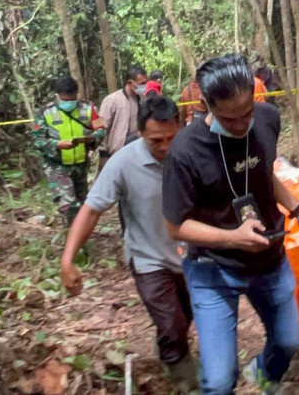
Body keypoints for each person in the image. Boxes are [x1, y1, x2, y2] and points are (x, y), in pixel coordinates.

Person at [163, 53, 299, 395]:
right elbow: (176, 227)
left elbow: (264, 172)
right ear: (207, 104)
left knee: (288, 342)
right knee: (220, 382)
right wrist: (231, 237)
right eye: (230, 118)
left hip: (269, 259)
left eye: (247, 112)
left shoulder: (267, 119)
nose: (241, 125)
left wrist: (298, 209)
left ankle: (259, 380)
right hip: (212, 269)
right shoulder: (185, 150)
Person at [59, 96, 196, 388]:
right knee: (172, 325)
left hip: (190, 257)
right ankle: (188, 385)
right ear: (140, 133)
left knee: (184, 318)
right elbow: (92, 209)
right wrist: (68, 259)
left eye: (172, 137)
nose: (165, 146)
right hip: (148, 259)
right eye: (156, 140)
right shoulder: (123, 162)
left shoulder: (192, 152)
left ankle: (168, 353)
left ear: (180, 126)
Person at [32, 76, 105, 227]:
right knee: (69, 205)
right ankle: (72, 240)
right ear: (57, 95)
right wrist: (57, 144)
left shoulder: (88, 108)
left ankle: (80, 237)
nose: (69, 102)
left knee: (83, 204)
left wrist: (91, 138)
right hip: (57, 166)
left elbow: (101, 129)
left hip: (81, 164)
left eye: (72, 98)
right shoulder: (45, 112)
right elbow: (38, 140)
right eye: (65, 99)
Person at [98, 66, 148, 169]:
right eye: (142, 83)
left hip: (138, 152)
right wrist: (103, 153)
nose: (145, 86)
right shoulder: (112, 100)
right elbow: (102, 128)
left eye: (145, 83)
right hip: (116, 152)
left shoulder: (144, 100)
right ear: (130, 82)